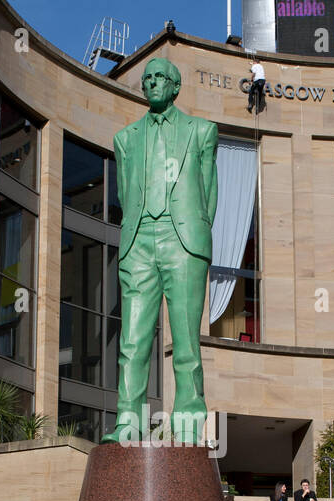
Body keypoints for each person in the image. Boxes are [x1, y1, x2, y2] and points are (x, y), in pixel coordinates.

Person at [101, 58, 218, 445]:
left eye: (160, 78)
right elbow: (124, 193)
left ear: (175, 86)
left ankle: (188, 417)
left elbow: (208, 193)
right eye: (146, 79)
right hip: (138, 240)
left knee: (185, 339)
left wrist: (193, 231)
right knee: (132, 340)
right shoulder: (124, 139)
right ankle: (128, 423)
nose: (152, 84)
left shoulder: (201, 131)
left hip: (181, 238)